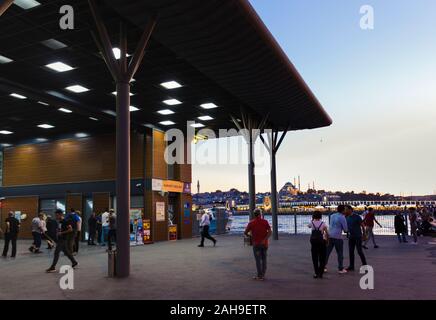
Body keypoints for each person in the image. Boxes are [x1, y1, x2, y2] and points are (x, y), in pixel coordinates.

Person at [244, 208, 272, 281]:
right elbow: (270, 231)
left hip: (256, 244)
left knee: (258, 260)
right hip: (264, 244)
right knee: (264, 259)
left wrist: (251, 236)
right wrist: (265, 239)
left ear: (254, 215)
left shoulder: (251, 223)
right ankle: (263, 275)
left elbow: (245, 232)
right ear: (260, 214)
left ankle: (259, 275)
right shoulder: (265, 222)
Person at [325, 205, 348, 274]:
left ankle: (323, 266)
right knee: (340, 253)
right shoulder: (342, 217)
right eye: (345, 209)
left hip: (330, 235)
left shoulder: (332, 215)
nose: (346, 211)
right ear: (342, 210)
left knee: (327, 252)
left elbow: (331, 225)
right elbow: (345, 229)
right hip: (338, 237)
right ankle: (340, 268)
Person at [345, 205, 367, 271]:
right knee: (351, 252)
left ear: (350, 209)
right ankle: (351, 266)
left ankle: (365, 266)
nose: (345, 211)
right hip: (351, 236)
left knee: (359, 251)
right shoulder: (346, 217)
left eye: (346, 209)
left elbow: (362, 226)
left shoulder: (357, 217)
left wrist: (364, 234)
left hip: (358, 236)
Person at [308, 211, 329, 279]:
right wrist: (327, 240)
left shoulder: (312, 223)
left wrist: (312, 219)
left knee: (315, 257)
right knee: (322, 257)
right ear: (320, 216)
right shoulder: (323, 223)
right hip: (321, 241)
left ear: (313, 216)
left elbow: (308, 226)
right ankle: (321, 273)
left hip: (314, 242)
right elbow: (327, 233)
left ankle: (316, 273)